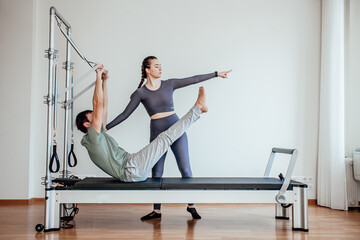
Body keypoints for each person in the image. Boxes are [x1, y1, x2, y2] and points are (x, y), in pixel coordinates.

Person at [106, 56, 231, 220]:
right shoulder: (140, 93)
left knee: (185, 168)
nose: (160, 68)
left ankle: (191, 205)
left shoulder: (169, 84)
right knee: (157, 172)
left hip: (176, 128)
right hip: (157, 132)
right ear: (147, 70)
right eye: (156, 66)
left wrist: (216, 74)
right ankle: (157, 211)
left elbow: (193, 79)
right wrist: (105, 128)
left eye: (160, 65)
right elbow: (125, 114)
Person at [76, 65, 208, 185]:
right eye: (93, 116)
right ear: (87, 124)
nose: (98, 117)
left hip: (132, 164)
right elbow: (97, 104)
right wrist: (97, 77)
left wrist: (104, 81)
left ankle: (198, 109)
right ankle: (197, 109)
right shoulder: (93, 137)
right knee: (165, 138)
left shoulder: (99, 134)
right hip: (131, 169)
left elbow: (103, 107)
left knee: (165, 138)